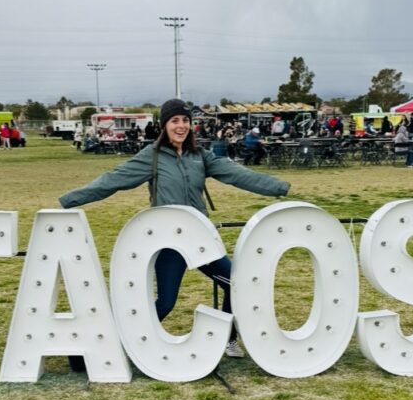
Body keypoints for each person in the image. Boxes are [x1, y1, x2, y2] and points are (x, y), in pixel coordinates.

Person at [60, 99, 290, 359]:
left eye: (185, 120)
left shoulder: (200, 156)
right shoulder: (152, 156)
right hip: (168, 242)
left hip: (201, 239)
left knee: (236, 282)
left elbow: (237, 174)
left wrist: (279, 187)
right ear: (164, 125)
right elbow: (113, 180)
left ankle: (228, 339)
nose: (181, 126)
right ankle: (107, 344)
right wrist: (69, 200)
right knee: (165, 303)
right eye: (174, 121)